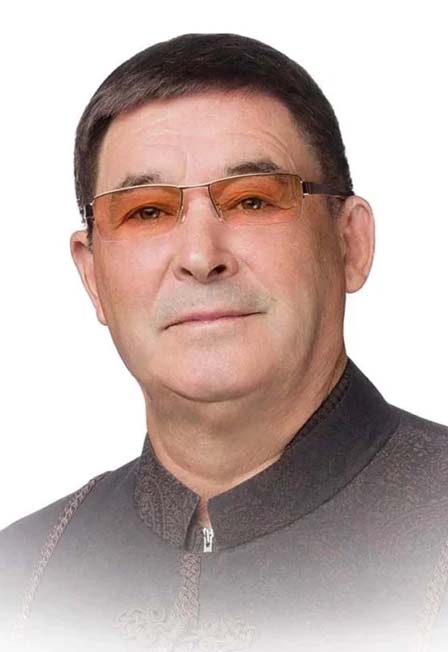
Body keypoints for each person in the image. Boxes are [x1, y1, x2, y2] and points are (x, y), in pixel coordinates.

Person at [1, 32, 447, 652]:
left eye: (254, 201)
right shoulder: (22, 578)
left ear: (351, 243)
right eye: (147, 212)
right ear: (92, 276)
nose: (200, 256)